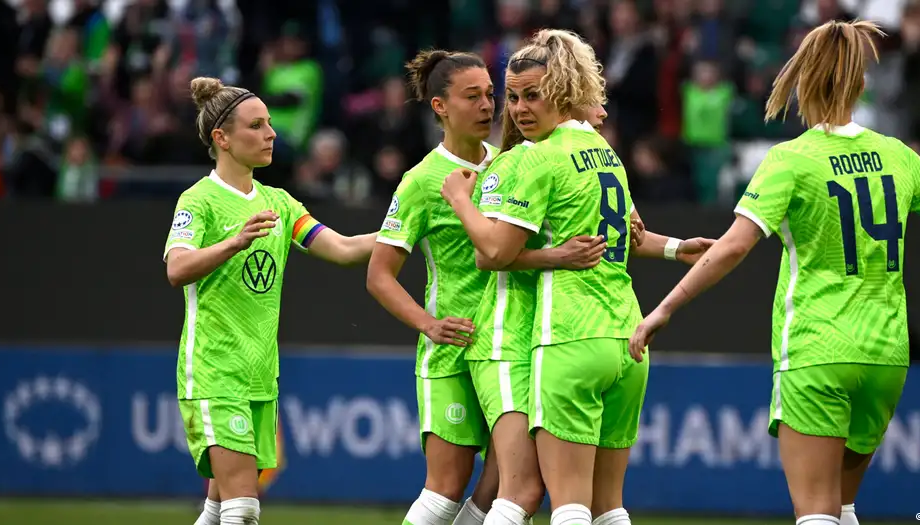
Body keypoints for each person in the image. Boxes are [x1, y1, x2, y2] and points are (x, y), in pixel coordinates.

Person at [630, 20, 920, 525]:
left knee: (814, 512)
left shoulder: (791, 160)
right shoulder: (896, 155)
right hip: (885, 355)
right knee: (842, 507)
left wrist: (664, 308)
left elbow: (732, 247)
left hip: (818, 349)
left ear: (802, 84)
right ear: (859, 84)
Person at [439, 29, 693, 525]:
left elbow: (492, 253)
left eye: (531, 95)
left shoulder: (533, 159)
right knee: (602, 504)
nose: (518, 108)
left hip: (564, 336)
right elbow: (628, 234)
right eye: (512, 97)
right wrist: (676, 248)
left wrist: (460, 201)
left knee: (545, 497)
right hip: (626, 336)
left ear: (562, 91)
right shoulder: (604, 153)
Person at [366, 49, 598, 525]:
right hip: (453, 349)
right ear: (440, 107)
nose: (488, 106)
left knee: (502, 493)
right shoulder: (421, 181)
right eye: (472, 97)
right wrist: (429, 325)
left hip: (510, 342)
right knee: (446, 489)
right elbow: (379, 274)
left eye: (491, 95)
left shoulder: (510, 162)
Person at [165, 76, 376, 525]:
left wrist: (410, 227)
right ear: (222, 138)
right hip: (215, 370)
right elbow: (177, 268)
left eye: (269, 124)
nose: (271, 133)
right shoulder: (198, 200)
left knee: (219, 509)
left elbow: (342, 249)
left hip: (261, 377)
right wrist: (233, 242)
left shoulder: (279, 203)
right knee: (242, 508)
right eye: (256, 125)